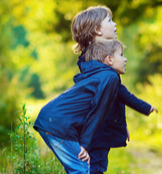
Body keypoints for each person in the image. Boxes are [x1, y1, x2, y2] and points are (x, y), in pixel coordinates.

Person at [71, 6, 158, 173]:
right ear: (97, 30)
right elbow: (120, 93)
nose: (115, 24)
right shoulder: (100, 66)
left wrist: (121, 123)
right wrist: (144, 107)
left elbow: (115, 96)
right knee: (95, 167)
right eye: (110, 21)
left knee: (94, 166)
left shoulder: (93, 61)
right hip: (95, 131)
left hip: (96, 129)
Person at [34, 39, 128, 174]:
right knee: (81, 170)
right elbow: (97, 112)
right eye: (121, 55)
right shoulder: (110, 76)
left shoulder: (99, 75)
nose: (125, 59)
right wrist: (85, 145)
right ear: (109, 59)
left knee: (80, 168)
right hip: (58, 123)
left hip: (49, 120)